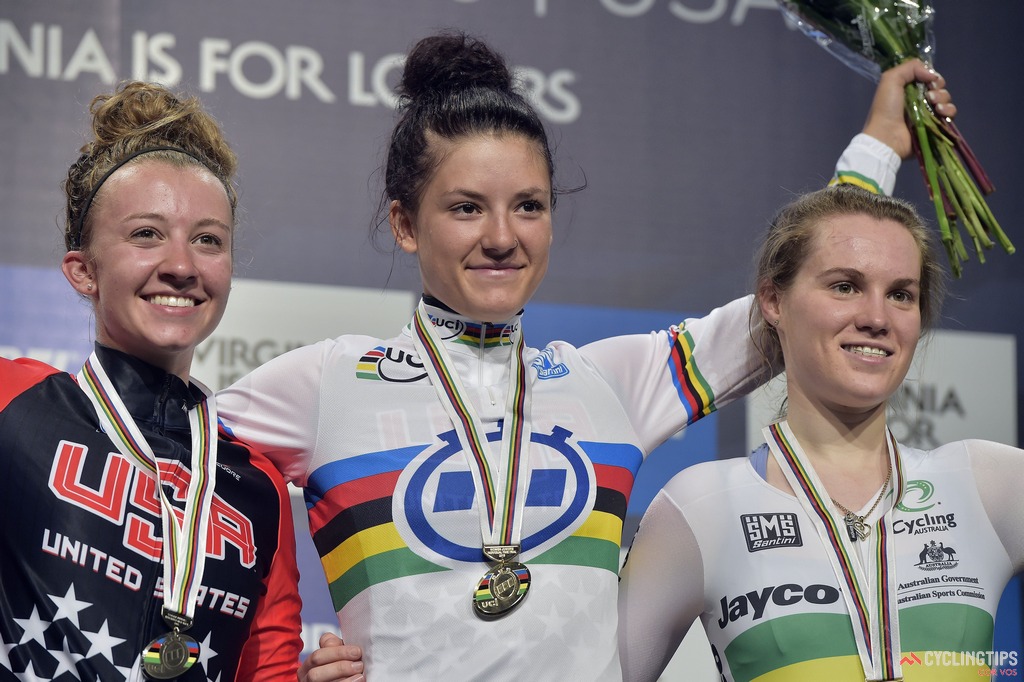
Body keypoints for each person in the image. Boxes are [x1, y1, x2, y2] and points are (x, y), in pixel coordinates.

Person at [218, 32, 953, 680]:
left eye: (529, 206)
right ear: (405, 224)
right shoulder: (329, 383)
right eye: (467, 207)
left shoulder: (609, 383)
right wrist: (272, 667)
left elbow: (803, 291)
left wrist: (877, 146)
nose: (502, 237)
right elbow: (167, 474)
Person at [617, 185, 1024, 681]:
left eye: (901, 294)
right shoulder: (702, 506)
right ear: (773, 301)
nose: (877, 318)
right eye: (845, 286)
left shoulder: (987, 484)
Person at [0, 81, 315, 681]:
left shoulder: (259, 487)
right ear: (84, 271)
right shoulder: (13, 403)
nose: (181, 265)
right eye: (146, 234)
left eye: (208, 240)